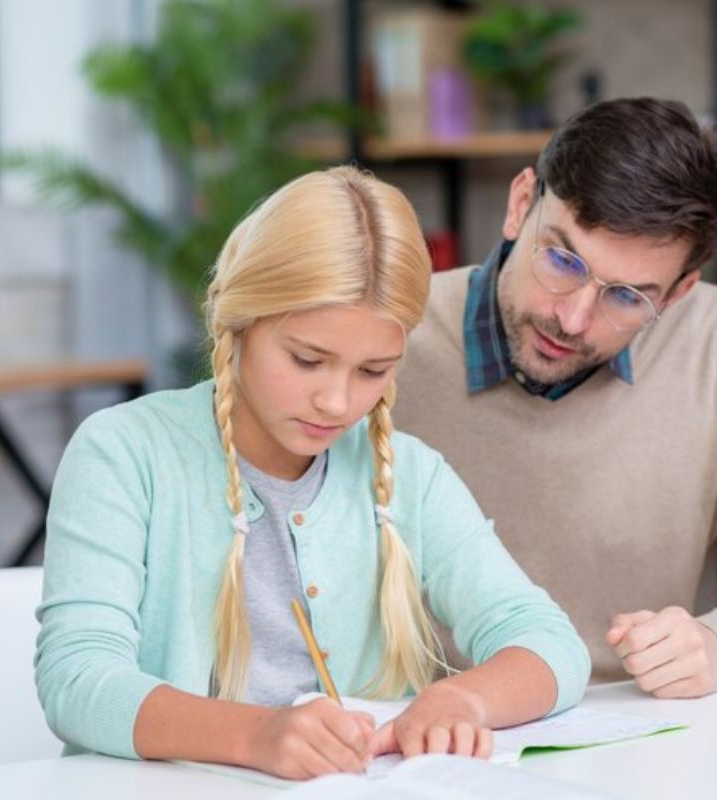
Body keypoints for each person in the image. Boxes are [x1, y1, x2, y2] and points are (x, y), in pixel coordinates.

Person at [35, 167, 589, 780]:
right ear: (237, 319)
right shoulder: (124, 454)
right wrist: (258, 735)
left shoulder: (411, 476)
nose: (337, 402)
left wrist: (461, 698)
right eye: (307, 359)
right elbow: (77, 679)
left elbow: (550, 643)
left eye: (373, 371)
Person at [393, 97, 717, 700]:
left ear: (680, 291)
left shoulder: (714, 346)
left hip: (632, 746)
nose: (573, 317)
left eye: (628, 297)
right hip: (422, 745)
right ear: (519, 204)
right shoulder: (389, 339)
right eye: (561, 259)